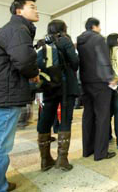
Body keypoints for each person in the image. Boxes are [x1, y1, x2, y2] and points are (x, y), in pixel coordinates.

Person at [0, 0, 40, 192]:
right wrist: (33, 73)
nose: (36, 10)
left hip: (3, 92)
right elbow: (23, 60)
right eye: (32, 7)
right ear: (18, 11)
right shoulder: (18, 29)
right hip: (7, 93)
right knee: (0, 145)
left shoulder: (14, 29)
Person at [36, 20, 79, 171]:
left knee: (46, 118)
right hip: (66, 86)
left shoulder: (43, 43)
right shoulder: (65, 41)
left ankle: (45, 160)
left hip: (49, 86)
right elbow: (75, 63)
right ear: (63, 29)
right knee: (66, 119)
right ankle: (62, 159)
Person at [77, 18, 116, 161]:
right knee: (102, 117)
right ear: (94, 26)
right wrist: (110, 78)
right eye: (99, 26)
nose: (100, 29)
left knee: (88, 115)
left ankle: (87, 150)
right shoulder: (98, 39)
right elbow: (103, 60)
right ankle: (101, 153)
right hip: (100, 83)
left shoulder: (80, 42)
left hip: (85, 82)